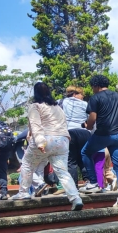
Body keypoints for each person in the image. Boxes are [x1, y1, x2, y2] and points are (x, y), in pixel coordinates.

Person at [10, 82, 84, 211]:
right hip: (63, 140)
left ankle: (23, 192)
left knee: (27, 164)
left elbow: (35, 125)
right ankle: (75, 198)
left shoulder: (35, 106)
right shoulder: (58, 107)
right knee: (62, 172)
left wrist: (39, 142)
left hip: (46, 138)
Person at [81, 75, 118, 206]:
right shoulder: (117, 96)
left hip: (103, 134)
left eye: (92, 87)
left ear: (96, 85)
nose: (92, 90)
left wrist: (87, 126)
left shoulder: (95, 98)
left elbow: (93, 117)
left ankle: (94, 182)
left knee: (85, 152)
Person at [62, 86, 90, 188]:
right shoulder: (85, 104)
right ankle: (88, 181)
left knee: (71, 161)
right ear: (75, 94)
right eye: (81, 94)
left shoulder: (63, 102)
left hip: (70, 132)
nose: (82, 96)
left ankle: (73, 186)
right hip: (84, 132)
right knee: (85, 157)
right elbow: (89, 119)